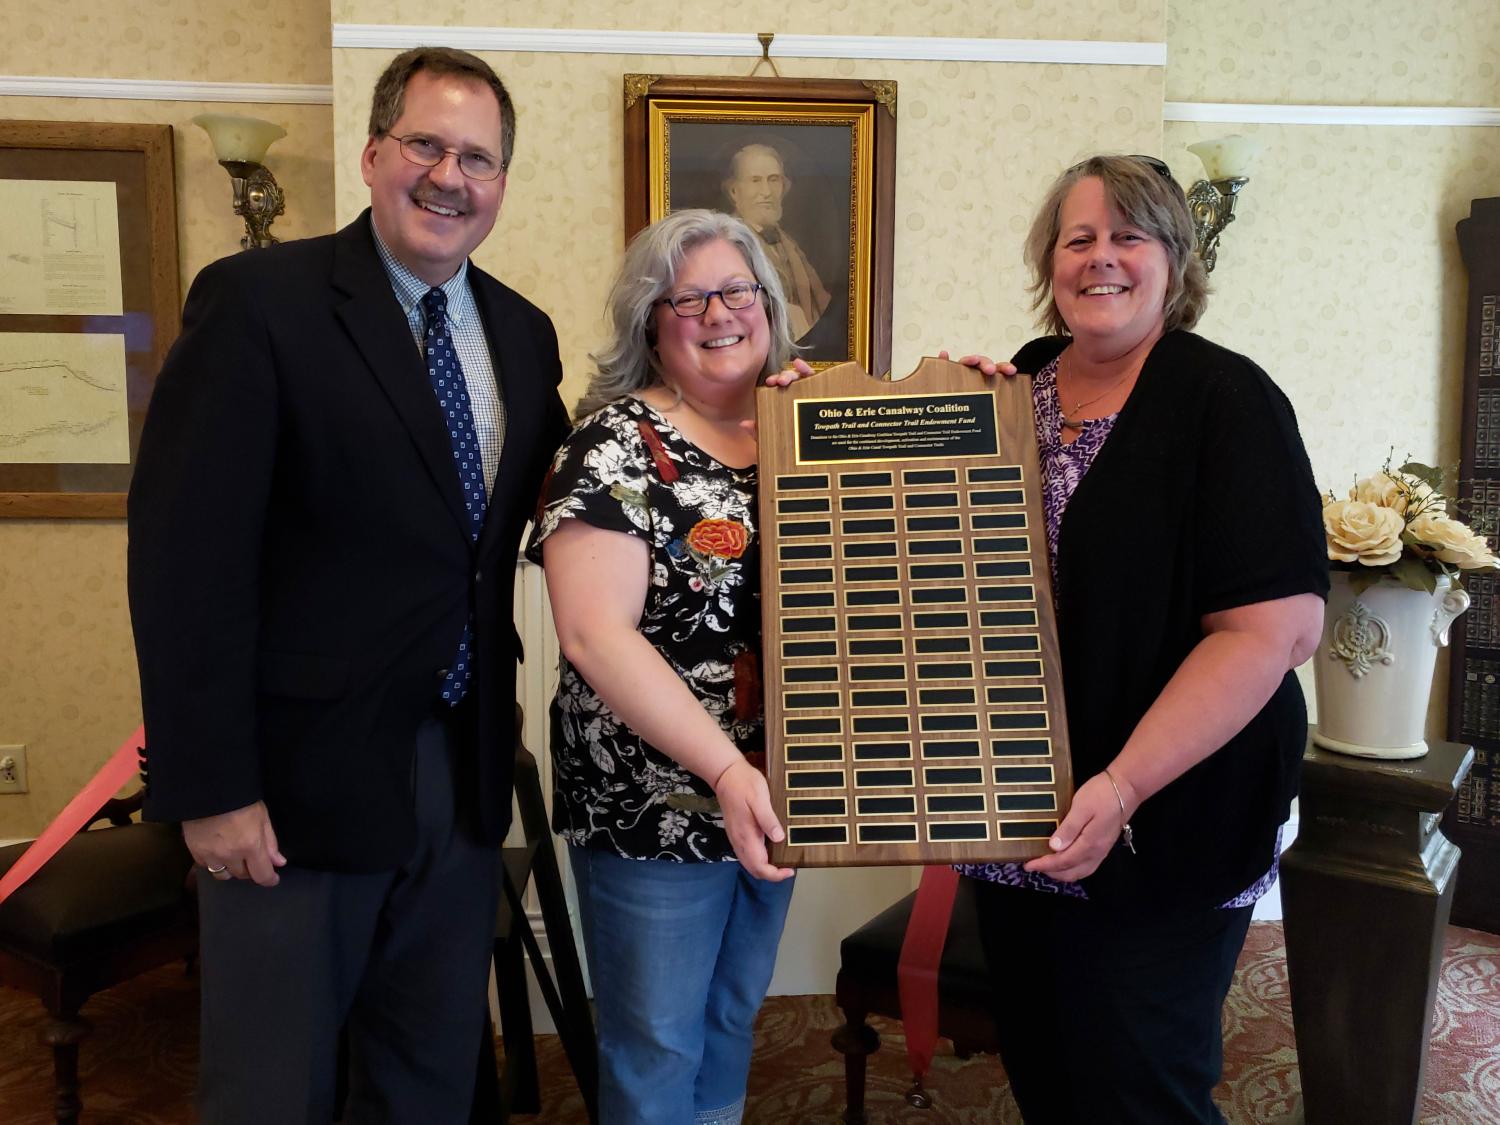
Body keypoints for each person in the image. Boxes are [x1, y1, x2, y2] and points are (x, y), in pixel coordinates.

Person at [127, 46, 568, 1123]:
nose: (449, 176)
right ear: (374, 154)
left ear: (503, 182)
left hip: (460, 773)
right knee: (272, 1086)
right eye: (426, 144)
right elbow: (185, 562)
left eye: (478, 157)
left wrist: (760, 417)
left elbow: (574, 502)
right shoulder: (259, 303)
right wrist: (210, 786)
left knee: (425, 1074)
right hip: (291, 782)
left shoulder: (520, 330)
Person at [954, 154, 1329, 1123]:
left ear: (1175, 258)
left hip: (1166, 819)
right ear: (1050, 259)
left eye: (1130, 235)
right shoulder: (1013, 386)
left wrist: (1119, 787)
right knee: (1047, 1066)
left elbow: (1272, 629)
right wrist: (812, 413)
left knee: (1141, 1082)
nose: (1102, 258)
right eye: (1079, 238)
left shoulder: (1226, 399)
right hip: (1020, 819)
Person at [527, 208, 809, 1125]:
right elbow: (595, 636)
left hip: (782, 791)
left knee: (731, 1016)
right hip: (655, 806)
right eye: (689, 298)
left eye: (739, 291)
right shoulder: (609, 445)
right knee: (656, 1040)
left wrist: (985, 397)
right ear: (652, 320)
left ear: (768, 307)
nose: (719, 312)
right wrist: (726, 768)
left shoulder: (806, 429)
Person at [723, 142, 831, 341]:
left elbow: (821, 303)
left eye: (773, 180)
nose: (766, 192)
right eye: (755, 180)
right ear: (734, 192)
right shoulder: (726, 245)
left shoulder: (789, 245)